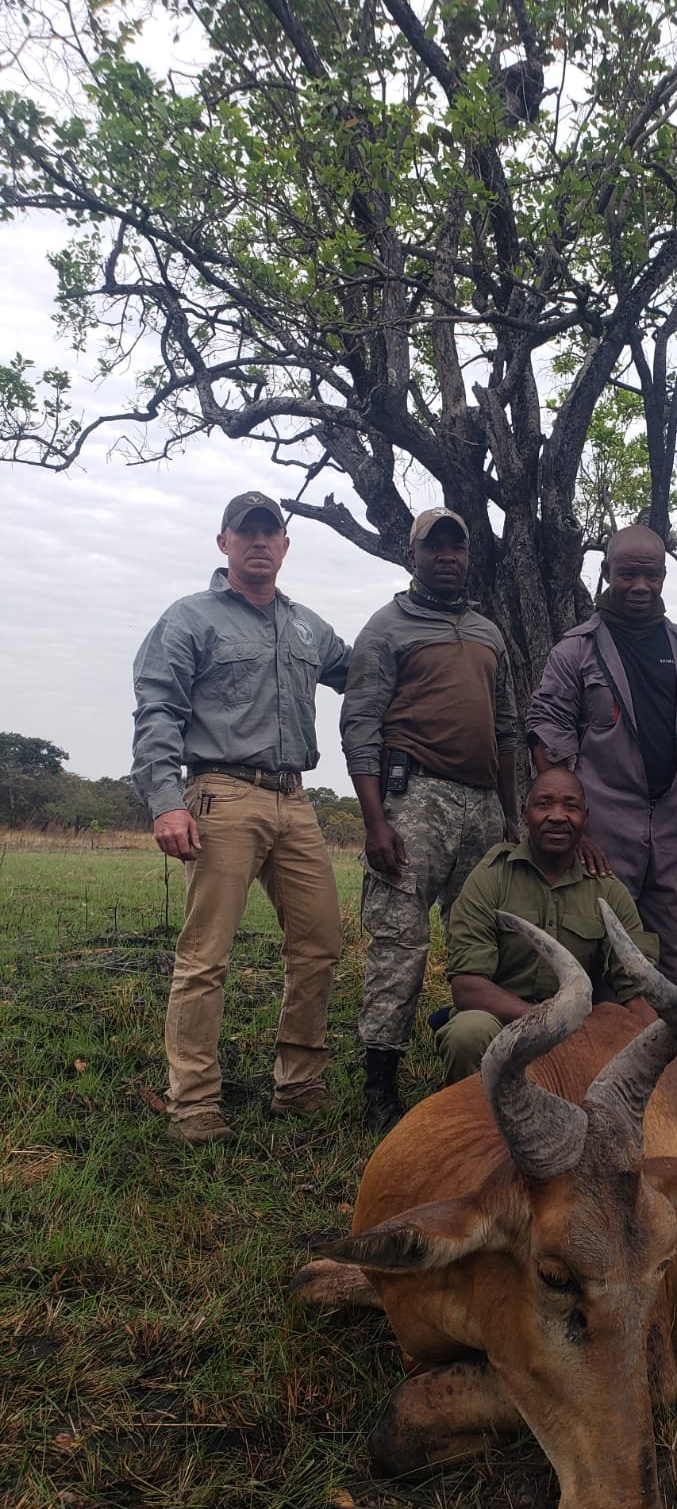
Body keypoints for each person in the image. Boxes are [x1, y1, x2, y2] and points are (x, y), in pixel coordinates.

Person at [131, 490, 351, 1146]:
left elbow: (368, 672)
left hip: (296, 798)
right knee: (206, 956)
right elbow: (158, 709)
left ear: (285, 545)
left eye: (269, 532)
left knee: (320, 943)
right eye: (244, 532)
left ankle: (299, 1084)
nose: (258, 543)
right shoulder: (191, 618)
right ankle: (194, 1103)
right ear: (224, 543)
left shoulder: (308, 625)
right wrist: (167, 801)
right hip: (221, 792)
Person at [340, 506, 521, 1130]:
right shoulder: (386, 628)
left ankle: (477, 1055)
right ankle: (380, 1085)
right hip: (413, 797)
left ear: (468, 557)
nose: (447, 557)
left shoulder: (489, 632)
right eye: (433, 547)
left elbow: (506, 727)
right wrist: (375, 821)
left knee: (487, 934)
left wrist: (511, 814)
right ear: (411, 555)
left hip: (483, 804)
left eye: (457, 547)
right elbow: (359, 726)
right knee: (400, 941)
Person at [526, 524, 677, 1006]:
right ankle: (592, 1065)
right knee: (600, 950)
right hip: (604, 832)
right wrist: (576, 827)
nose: (640, 586)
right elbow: (546, 732)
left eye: (651, 575)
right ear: (606, 572)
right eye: (628, 574)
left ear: (663, 575)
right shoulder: (576, 649)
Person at [438, 768, 659, 1081]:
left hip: (582, 1034)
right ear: (525, 813)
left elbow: (636, 990)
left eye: (570, 806)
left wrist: (665, 1044)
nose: (558, 816)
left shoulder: (609, 891)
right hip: (507, 1024)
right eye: (544, 804)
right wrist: (549, 1021)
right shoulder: (491, 877)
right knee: (468, 1031)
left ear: (586, 816)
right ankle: (475, 1122)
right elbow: (467, 987)